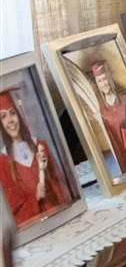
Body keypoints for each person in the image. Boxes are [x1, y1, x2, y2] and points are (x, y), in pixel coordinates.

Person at [0, 90, 72, 225]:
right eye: (3, 116)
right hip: (36, 228)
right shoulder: (2, 163)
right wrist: (35, 197)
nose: (10, 120)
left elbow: (59, 186)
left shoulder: (40, 145)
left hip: (58, 217)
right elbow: (13, 210)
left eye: (12, 113)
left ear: (18, 115)